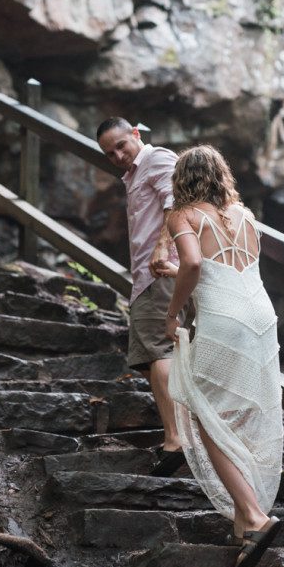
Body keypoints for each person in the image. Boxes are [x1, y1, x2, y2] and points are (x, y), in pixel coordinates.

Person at [154, 145, 283, 567]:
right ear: (221, 174)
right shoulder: (244, 215)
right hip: (261, 317)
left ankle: (254, 515)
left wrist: (172, 313)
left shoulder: (182, 216)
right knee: (238, 411)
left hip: (224, 321)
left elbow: (193, 262)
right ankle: (244, 521)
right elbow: (224, 269)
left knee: (204, 412)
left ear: (181, 179)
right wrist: (179, 275)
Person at [96, 117, 187, 477]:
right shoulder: (134, 173)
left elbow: (176, 200)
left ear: (136, 134)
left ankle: (176, 440)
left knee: (159, 350)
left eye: (121, 145)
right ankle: (180, 433)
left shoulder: (156, 158)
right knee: (154, 354)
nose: (118, 156)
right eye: (110, 153)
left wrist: (163, 246)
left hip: (160, 272)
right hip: (148, 277)